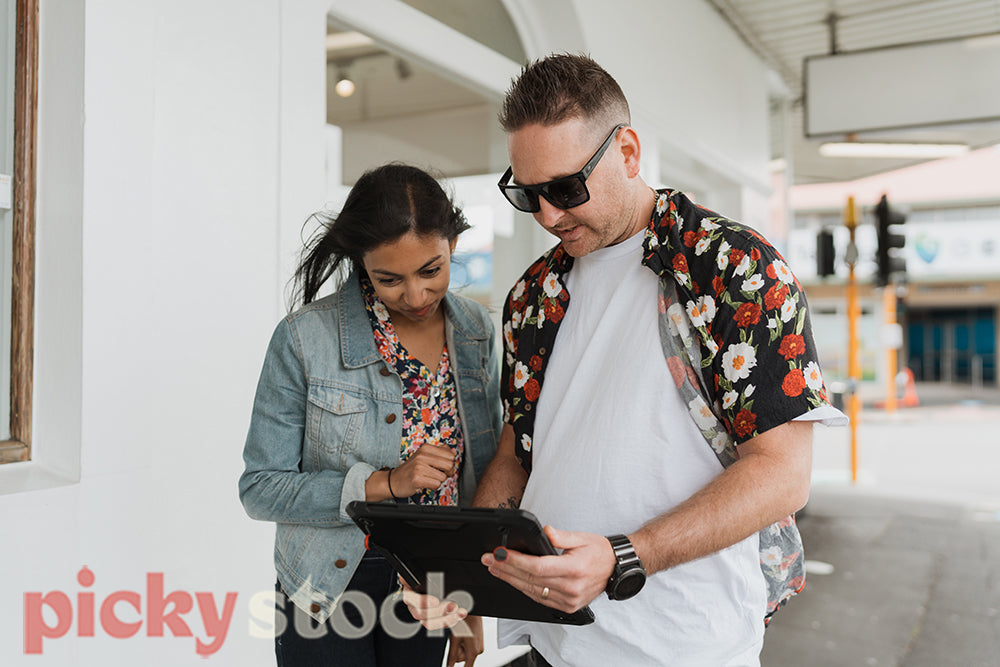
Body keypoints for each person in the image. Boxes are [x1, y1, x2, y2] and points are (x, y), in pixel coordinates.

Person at [405, 54, 846, 666]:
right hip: (549, 643)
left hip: (686, 643)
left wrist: (625, 556)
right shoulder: (533, 295)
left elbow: (782, 474)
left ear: (629, 153)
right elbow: (517, 452)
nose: (548, 216)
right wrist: (465, 576)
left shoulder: (734, 268)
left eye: (565, 188)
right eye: (526, 194)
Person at [239, 163, 502, 667]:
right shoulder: (304, 338)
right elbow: (260, 487)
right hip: (326, 582)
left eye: (432, 270)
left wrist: (470, 605)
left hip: (430, 579)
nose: (417, 296)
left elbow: (479, 473)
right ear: (360, 263)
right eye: (389, 279)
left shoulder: (473, 330)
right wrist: (385, 483)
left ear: (452, 243)